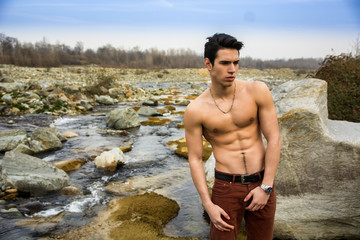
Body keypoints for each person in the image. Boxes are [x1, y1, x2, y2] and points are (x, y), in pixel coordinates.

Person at [184, 33, 281, 240]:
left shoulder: (257, 91)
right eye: (225, 63)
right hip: (226, 188)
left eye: (236, 62)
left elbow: (274, 138)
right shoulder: (196, 110)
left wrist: (266, 186)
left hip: (261, 182)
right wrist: (207, 204)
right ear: (208, 64)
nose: (232, 69)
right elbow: (194, 159)